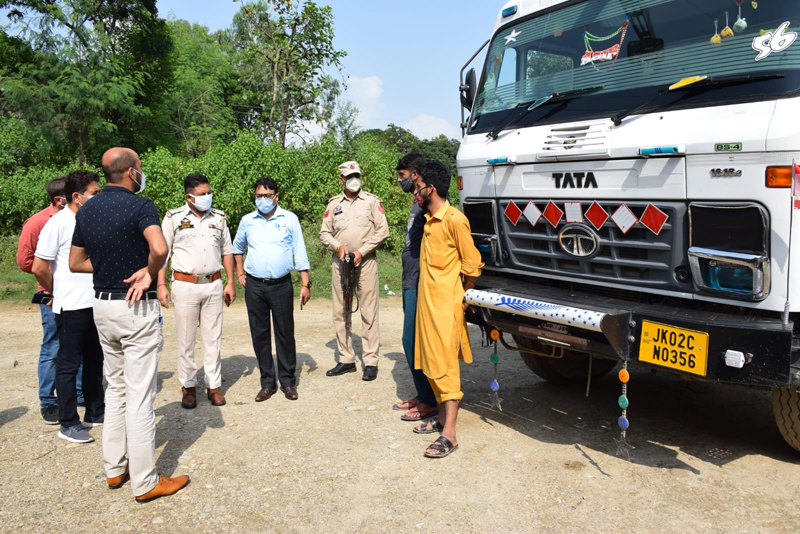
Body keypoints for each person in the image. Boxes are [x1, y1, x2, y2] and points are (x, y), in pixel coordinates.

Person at [69, 147, 189, 503]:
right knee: (140, 396)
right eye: (141, 167)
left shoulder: (87, 209)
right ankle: (146, 481)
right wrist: (147, 273)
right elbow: (159, 246)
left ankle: (114, 468)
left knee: (116, 389)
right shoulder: (141, 206)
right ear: (132, 172)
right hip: (135, 308)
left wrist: (110, 269)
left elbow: (76, 262)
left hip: (102, 308)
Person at [411, 160, 483, 459]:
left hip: (445, 308)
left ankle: (450, 434)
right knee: (430, 363)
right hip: (427, 306)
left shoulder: (454, 219)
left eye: (417, 187)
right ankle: (440, 417)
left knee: (446, 369)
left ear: (433, 187)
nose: (414, 192)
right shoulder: (428, 219)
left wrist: (462, 298)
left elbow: (473, 265)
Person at [32, 171, 105, 444]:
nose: (98, 197)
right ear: (77, 197)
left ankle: (95, 411)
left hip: (94, 302)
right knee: (68, 364)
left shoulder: (91, 220)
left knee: (94, 359)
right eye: (94, 193)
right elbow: (39, 266)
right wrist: (55, 291)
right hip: (71, 305)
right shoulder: (59, 223)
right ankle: (68, 422)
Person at [158, 173, 236, 410]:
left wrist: (230, 281)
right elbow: (163, 253)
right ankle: (188, 387)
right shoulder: (173, 218)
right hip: (185, 285)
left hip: (213, 284)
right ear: (189, 196)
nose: (207, 197)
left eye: (208, 193)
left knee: (213, 338)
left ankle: (213, 386)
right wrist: (161, 284)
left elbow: (227, 251)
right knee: (186, 340)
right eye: (202, 194)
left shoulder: (219, 218)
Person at [233, 177, 310, 402]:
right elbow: (237, 248)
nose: (263, 200)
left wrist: (305, 284)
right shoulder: (247, 221)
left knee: (285, 333)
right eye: (259, 196)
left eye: (267, 195)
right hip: (255, 285)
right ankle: (268, 382)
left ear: (276, 196)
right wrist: (239, 273)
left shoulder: (289, 219)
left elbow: (300, 252)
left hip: (281, 285)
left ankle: (287, 381)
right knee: (260, 334)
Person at [320, 161, 389, 381]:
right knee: (341, 311)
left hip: (366, 262)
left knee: (369, 311)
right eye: (349, 176)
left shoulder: (371, 201)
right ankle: (346, 359)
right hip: (340, 263)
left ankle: (370, 361)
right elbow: (324, 233)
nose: (354, 179)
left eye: (357, 175)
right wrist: (337, 246)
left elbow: (382, 231)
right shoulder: (333, 204)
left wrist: (363, 250)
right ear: (341, 180)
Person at [16, 176, 76, 424]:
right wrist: (51, 284)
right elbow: (25, 261)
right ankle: (48, 400)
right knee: (53, 347)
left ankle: (79, 393)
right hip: (52, 295)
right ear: (59, 199)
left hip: (77, 293)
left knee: (77, 345)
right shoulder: (39, 222)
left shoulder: (76, 218)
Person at [392, 153, 439, 421]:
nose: (400, 181)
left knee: (412, 341)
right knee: (412, 340)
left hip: (420, 280)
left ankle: (430, 401)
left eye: (402, 176)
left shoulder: (429, 203)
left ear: (415, 174)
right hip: (410, 277)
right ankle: (424, 395)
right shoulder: (416, 202)